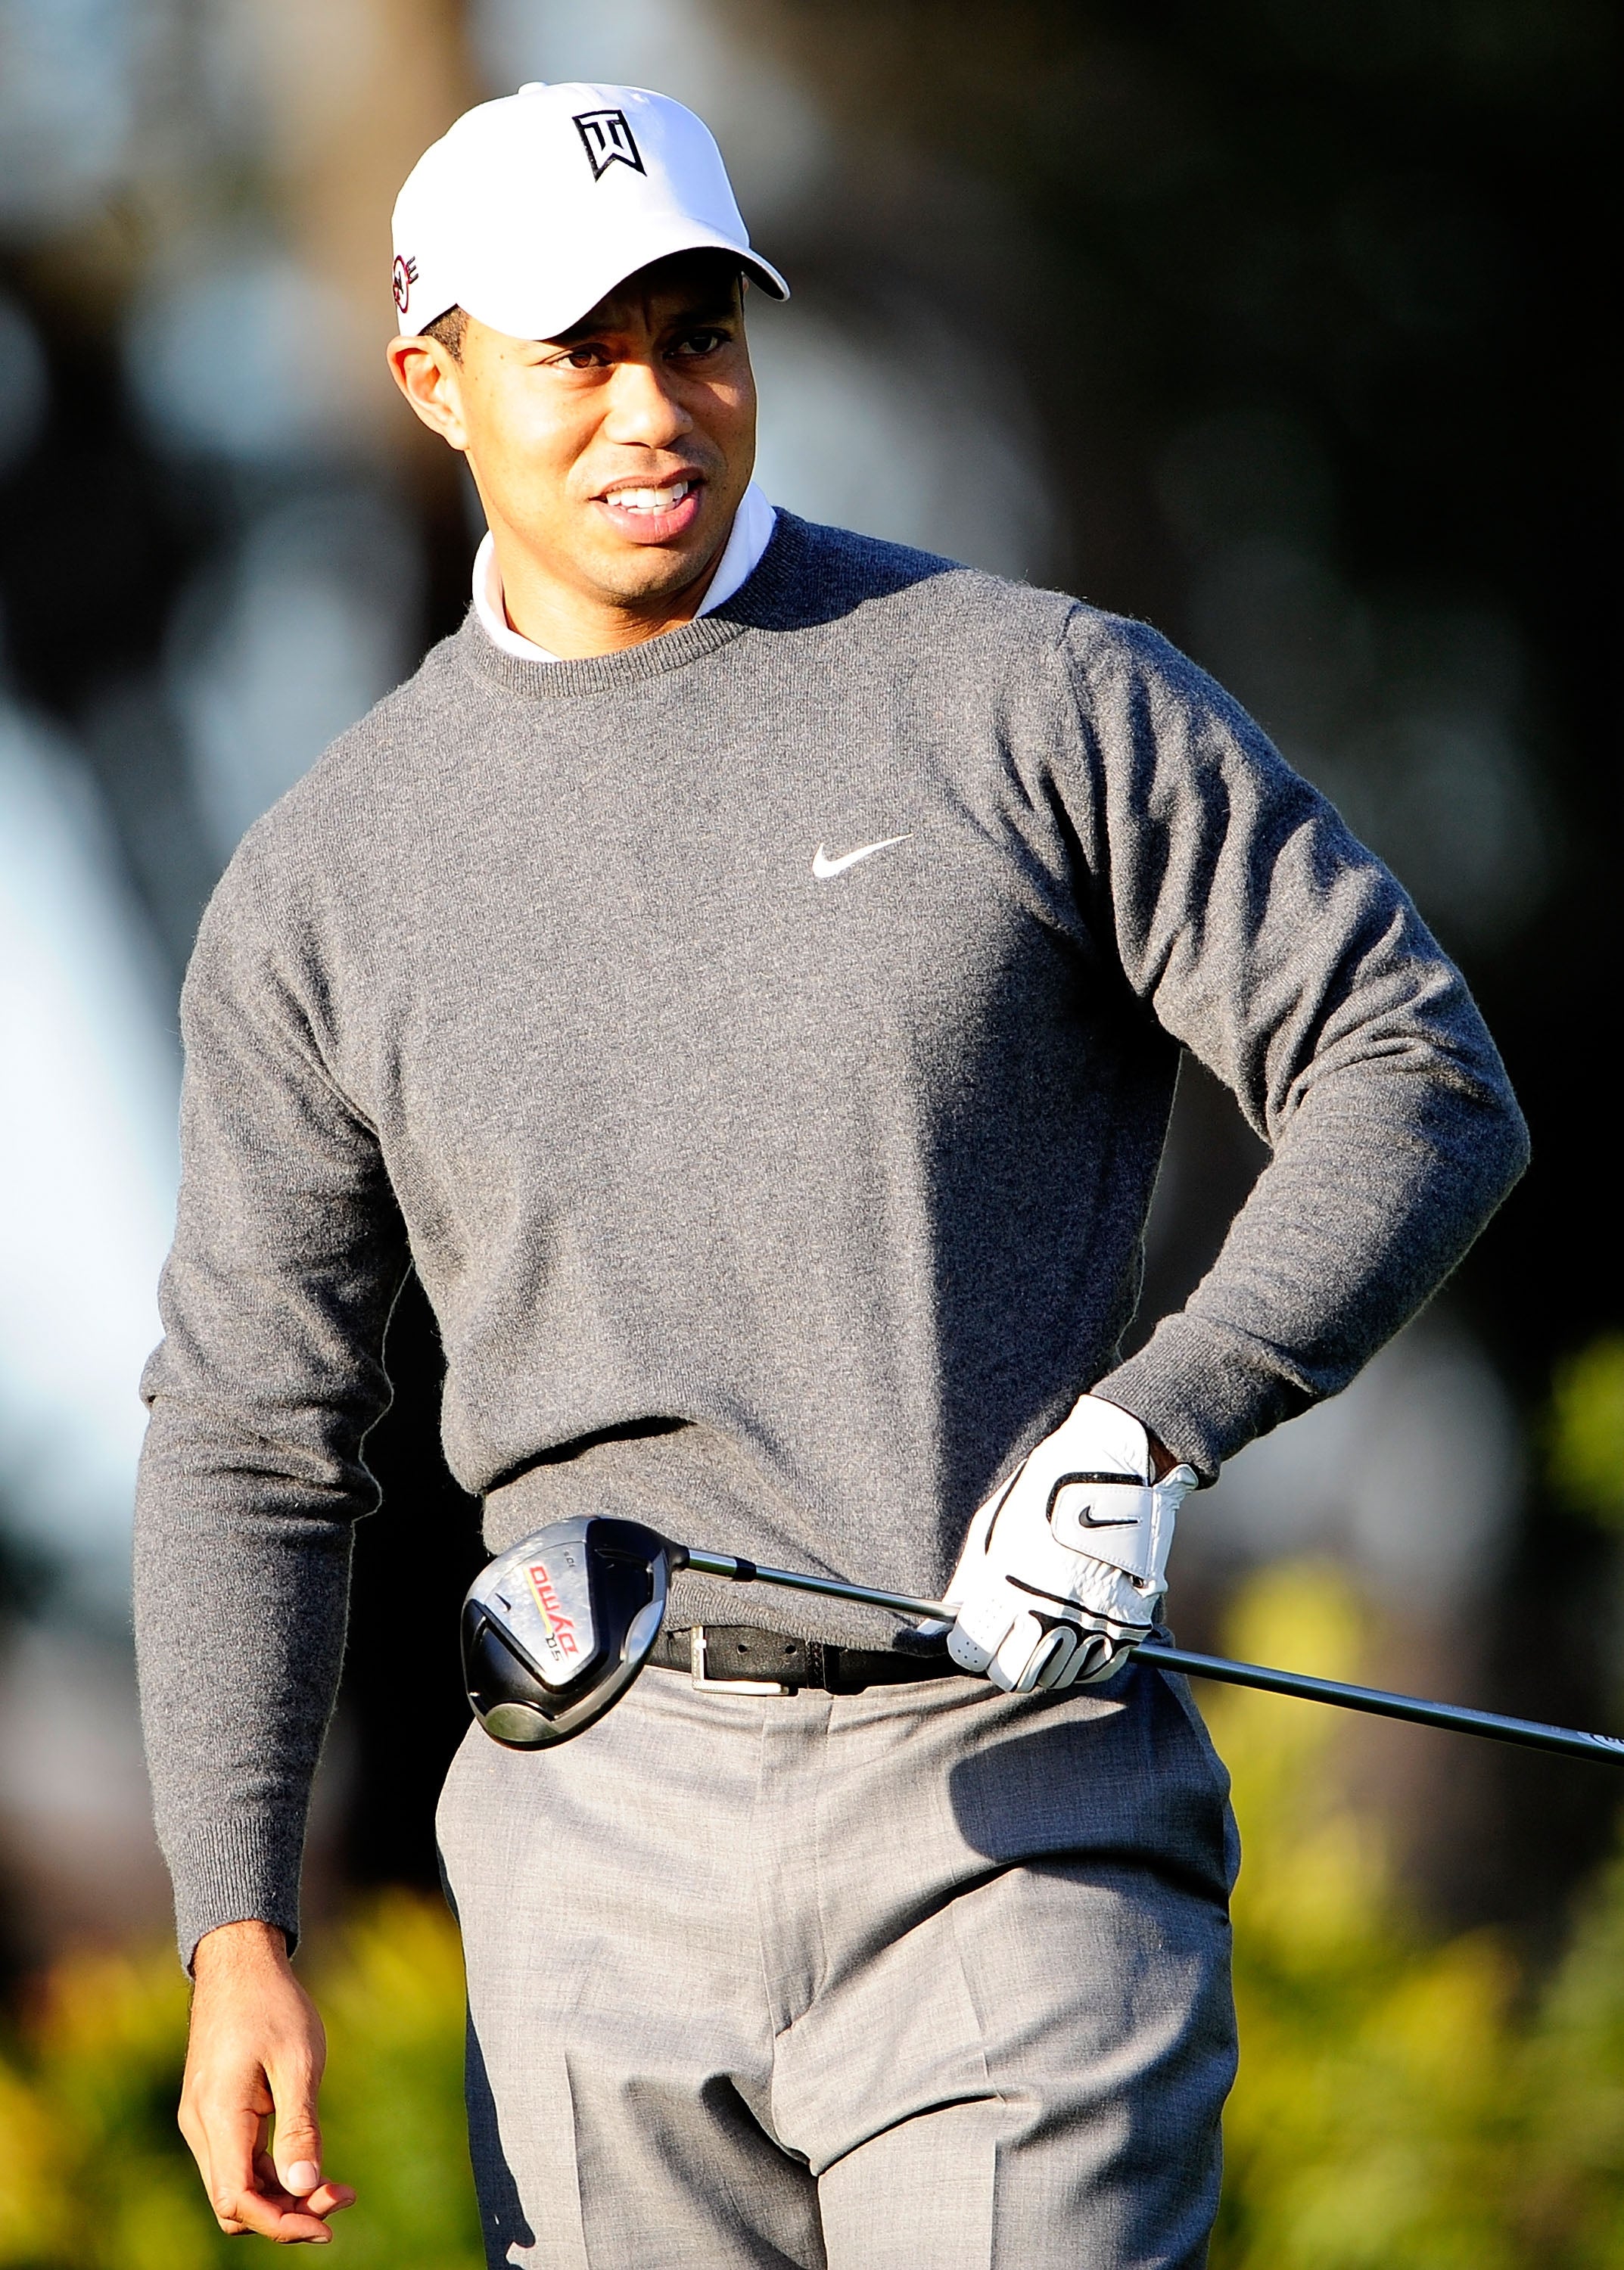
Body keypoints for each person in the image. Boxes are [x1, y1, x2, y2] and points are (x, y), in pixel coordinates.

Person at [135, 79, 1529, 2268]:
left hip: (1011, 1825)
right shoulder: (323, 885)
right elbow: (249, 1433)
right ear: (431, 381)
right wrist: (233, 1921)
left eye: (696, 335)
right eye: (577, 354)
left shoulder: (1028, 695)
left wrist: (1156, 1427)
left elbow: (1413, 1072)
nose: (653, 411)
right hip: (584, 1870)